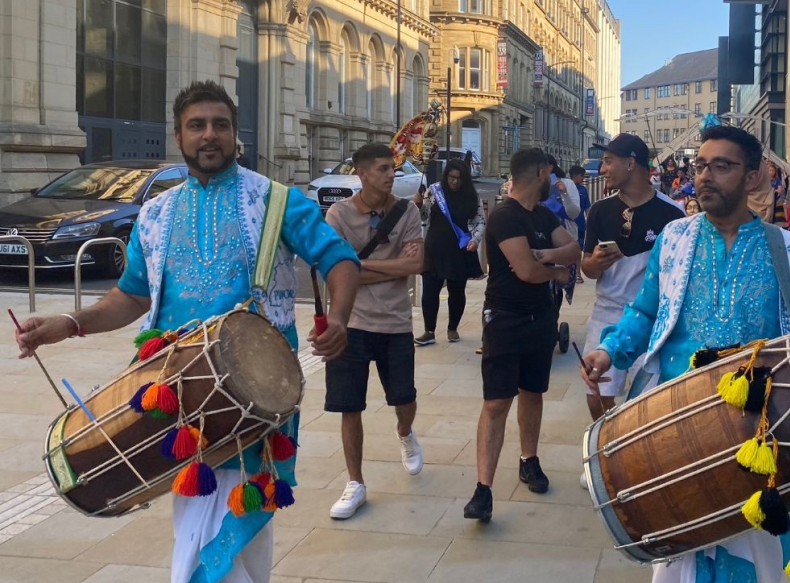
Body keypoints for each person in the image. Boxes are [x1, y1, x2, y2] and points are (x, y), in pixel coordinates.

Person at [14, 80, 361, 583]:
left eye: (220, 124)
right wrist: (68, 325)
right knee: (197, 524)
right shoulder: (154, 213)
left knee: (236, 531)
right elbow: (130, 296)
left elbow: (339, 260)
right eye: (197, 125)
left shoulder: (276, 201)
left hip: (256, 397)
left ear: (235, 135)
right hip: (174, 397)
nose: (209, 135)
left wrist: (341, 318)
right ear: (178, 136)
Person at [581, 125, 790, 583]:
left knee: (755, 566)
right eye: (700, 165)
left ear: (755, 177)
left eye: (722, 165)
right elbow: (644, 311)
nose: (705, 176)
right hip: (679, 426)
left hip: (762, 434)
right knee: (681, 558)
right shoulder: (674, 240)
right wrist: (609, 352)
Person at [463, 147, 582, 522]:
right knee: (497, 402)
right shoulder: (504, 216)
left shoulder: (543, 214)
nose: (552, 178)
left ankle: (528, 460)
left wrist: (544, 256)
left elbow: (574, 248)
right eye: (550, 172)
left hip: (541, 318)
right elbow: (526, 272)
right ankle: (483, 489)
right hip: (505, 320)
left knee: (534, 392)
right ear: (541, 172)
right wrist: (556, 271)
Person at [324, 143, 425, 520]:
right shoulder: (338, 214)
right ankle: (355, 482)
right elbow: (336, 270)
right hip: (349, 322)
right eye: (382, 168)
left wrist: (358, 269)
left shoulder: (407, 210)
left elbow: (416, 265)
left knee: (404, 398)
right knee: (349, 406)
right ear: (361, 173)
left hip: (395, 322)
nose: (390, 175)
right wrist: (389, 266)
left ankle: (405, 431)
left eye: (392, 168)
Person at [579, 133, 684, 438]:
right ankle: (607, 446)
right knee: (596, 392)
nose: (603, 169)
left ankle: (633, 451)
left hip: (650, 320)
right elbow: (586, 267)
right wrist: (595, 263)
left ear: (631, 163)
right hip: (606, 312)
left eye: (609, 162)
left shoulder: (672, 215)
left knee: (648, 398)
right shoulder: (599, 210)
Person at [413, 158, 485, 345]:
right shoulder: (435, 191)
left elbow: (480, 222)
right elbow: (424, 216)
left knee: (456, 291)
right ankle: (429, 330)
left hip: (459, 248)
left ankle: (452, 327)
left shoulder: (471, 195)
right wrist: (419, 204)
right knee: (429, 290)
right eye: (452, 177)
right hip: (434, 246)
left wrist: (475, 240)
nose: (454, 181)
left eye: (459, 178)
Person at [569, 164, 593, 283]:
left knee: (579, 249)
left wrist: (590, 220)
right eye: (581, 176)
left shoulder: (583, 189)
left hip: (580, 224)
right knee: (570, 249)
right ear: (575, 176)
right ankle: (570, 273)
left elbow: (587, 207)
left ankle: (578, 273)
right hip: (569, 225)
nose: (583, 178)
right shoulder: (567, 188)